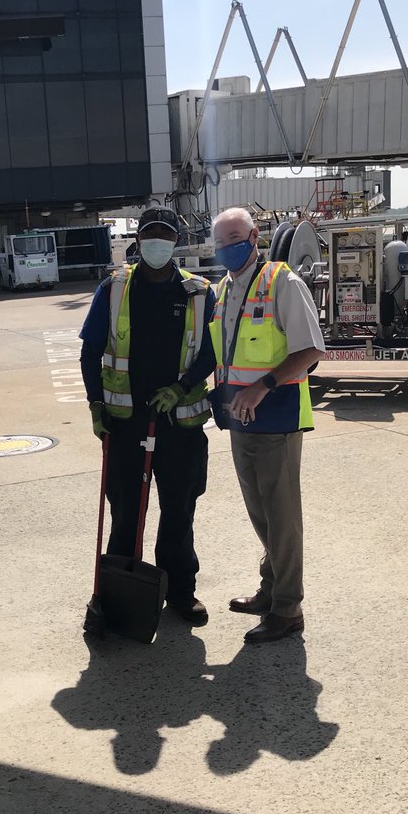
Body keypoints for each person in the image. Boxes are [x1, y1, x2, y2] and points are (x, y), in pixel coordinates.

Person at [80, 207, 216, 626]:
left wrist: (182, 385)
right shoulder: (115, 288)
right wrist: (95, 404)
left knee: (178, 511)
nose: (157, 241)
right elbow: (90, 349)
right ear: (137, 241)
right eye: (149, 234)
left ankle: (180, 592)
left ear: (176, 241)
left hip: (180, 424)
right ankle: (120, 594)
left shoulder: (199, 292)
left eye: (165, 234)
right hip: (126, 422)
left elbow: (213, 350)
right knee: (125, 512)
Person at [210, 207, 326, 644]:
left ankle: (287, 608)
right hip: (240, 421)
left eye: (235, 238)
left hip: (276, 418)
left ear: (254, 236)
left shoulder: (283, 283)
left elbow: (311, 350)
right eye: (220, 243)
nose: (228, 249)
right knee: (260, 514)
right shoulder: (225, 289)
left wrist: (263, 387)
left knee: (281, 517)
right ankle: (270, 587)